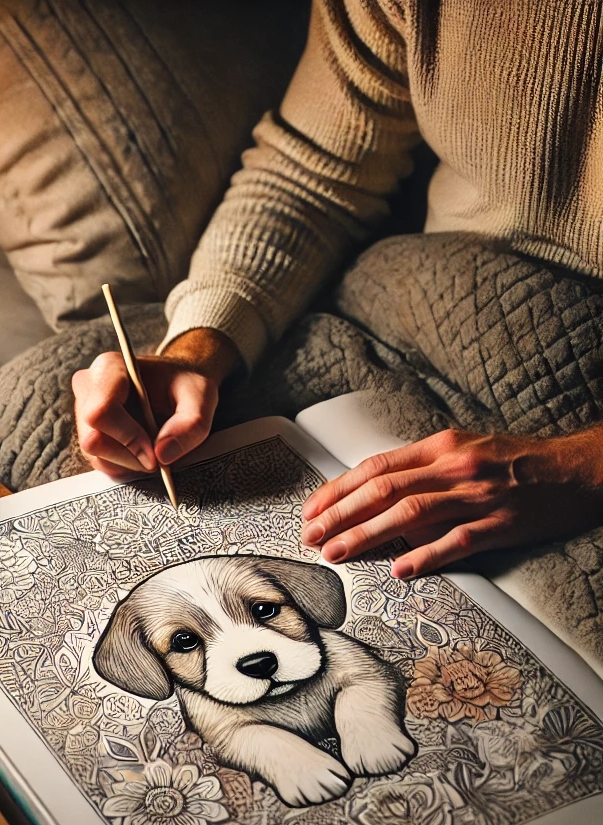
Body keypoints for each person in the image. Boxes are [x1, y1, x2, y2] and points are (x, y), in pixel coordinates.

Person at [71, 0, 603, 580]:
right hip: (427, 301)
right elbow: (312, 176)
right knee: (22, 407)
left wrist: (578, 468)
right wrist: (195, 351)